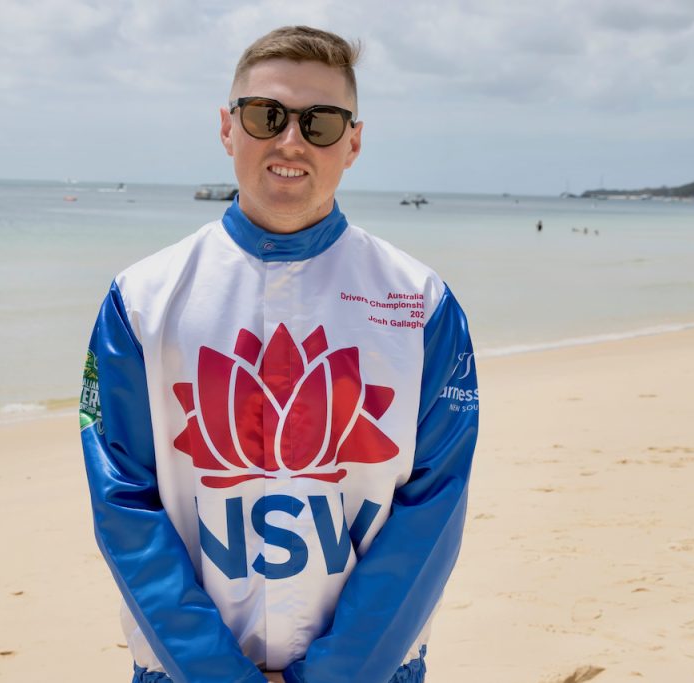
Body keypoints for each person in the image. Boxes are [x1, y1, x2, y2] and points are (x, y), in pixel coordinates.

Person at [80, 25, 479, 683]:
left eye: (320, 122)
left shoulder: (420, 304)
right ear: (227, 127)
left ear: (353, 142)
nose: (290, 141)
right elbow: (124, 502)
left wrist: (333, 675)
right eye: (266, 115)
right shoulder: (141, 300)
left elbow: (433, 508)